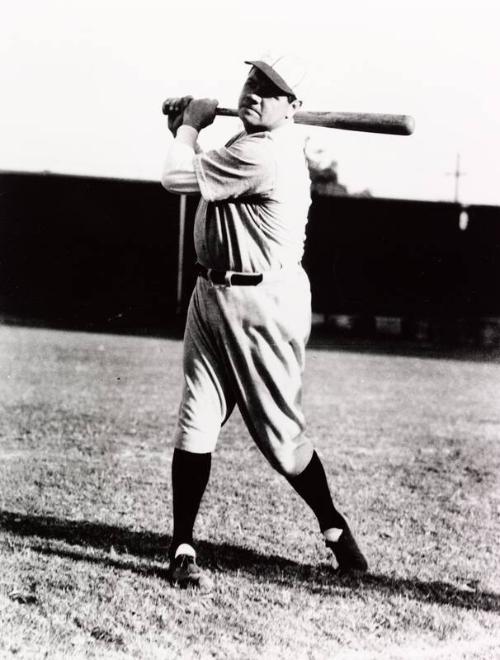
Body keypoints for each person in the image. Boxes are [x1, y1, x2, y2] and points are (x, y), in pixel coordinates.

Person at [161, 53, 367, 590]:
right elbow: (201, 172)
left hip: (264, 306)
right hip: (211, 292)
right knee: (196, 419)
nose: (255, 93)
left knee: (281, 442)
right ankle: (183, 545)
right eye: (253, 80)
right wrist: (186, 128)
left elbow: (175, 176)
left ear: (292, 107)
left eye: (272, 91)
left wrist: (188, 127)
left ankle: (334, 527)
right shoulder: (245, 144)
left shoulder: (266, 153)